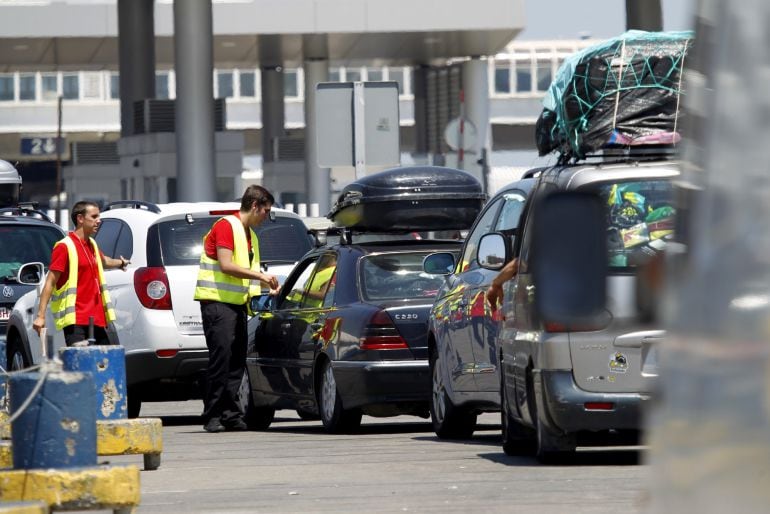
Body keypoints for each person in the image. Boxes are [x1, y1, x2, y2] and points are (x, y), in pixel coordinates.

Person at [194, 185, 279, 433]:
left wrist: (263, 292)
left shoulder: (250, 235)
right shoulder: (226, 226)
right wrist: (261, 276)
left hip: (237, 305)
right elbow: (226, 265)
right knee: (221, 359)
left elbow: (245, 276)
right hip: (217, 302)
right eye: (265, 210)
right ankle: (212, 415)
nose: (266, 216)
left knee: (236, 361)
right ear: (254, 206)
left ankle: (230, 414)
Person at [34, 200, 130, 346]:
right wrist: (40, 316)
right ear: (80, 218)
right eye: (94, 217)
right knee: (81, 366)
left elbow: (103, 261)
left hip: (97, 319)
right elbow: (50, 282)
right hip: (76, 321)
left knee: (103, 363)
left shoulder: (92, 244)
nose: (99, 221)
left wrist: (121, 263)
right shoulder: (64, 246)